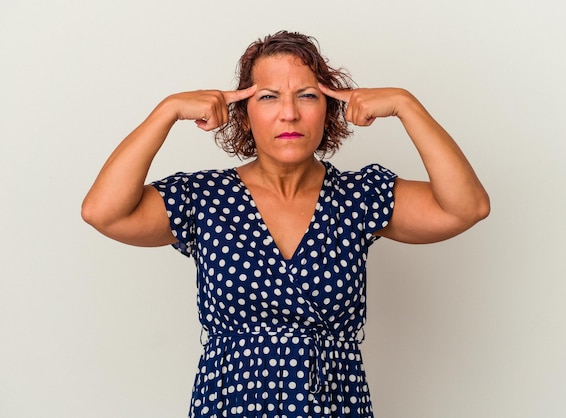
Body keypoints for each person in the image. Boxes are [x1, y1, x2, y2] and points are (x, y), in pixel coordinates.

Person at [82, 30, 489, 418]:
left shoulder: (359, 197)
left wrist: (406, 104)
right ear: (242, 116)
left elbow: (466, 207)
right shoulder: (204, 198)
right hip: (230, 403)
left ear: (329, 110)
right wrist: (167, 111)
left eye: (307, 96)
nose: (289, 113)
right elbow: (103, 212)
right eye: (269, 97)